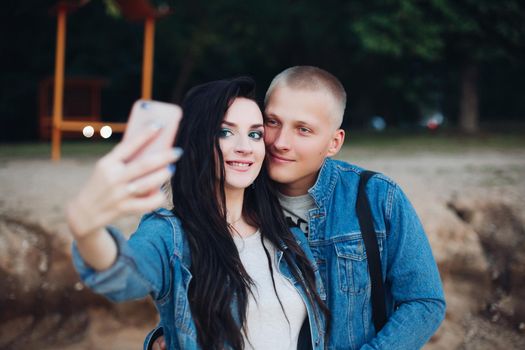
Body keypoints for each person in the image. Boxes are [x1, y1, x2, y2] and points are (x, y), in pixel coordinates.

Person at [152, 66, 446, 350]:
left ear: (334, 142)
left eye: (302, 130)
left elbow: (424, 302)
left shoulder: (378, 198)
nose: (280, 142)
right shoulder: (234, 195)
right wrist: (160, 338)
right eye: (273, 122)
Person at [67, 77, 329, 350]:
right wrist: (87, 230)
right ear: (197, 141)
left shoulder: (287, 234)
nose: (245, 147)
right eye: (225, 132)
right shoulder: (170, 234)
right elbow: (125, 277)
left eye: (255, 134)